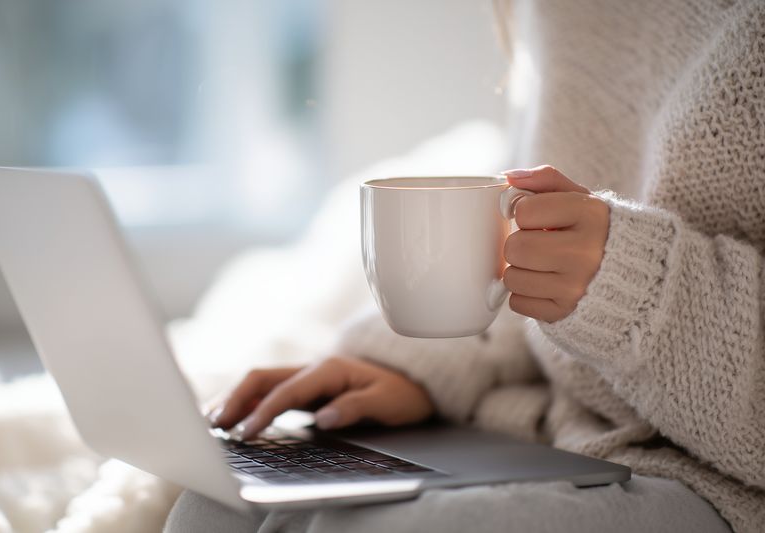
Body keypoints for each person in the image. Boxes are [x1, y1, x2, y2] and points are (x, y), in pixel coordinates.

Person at [166, 0, 764, 531]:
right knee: (216, 506)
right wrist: (421, 368)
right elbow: (534, 262)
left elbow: (600, 279)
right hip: (552, 430)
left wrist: (638, 290)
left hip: (719, 481)